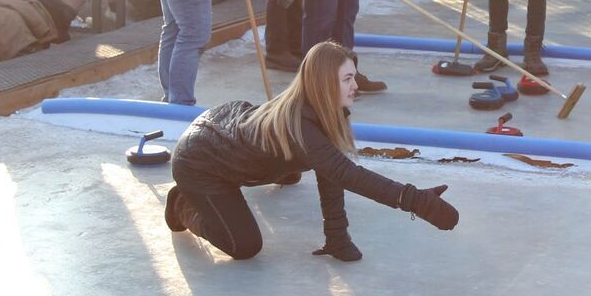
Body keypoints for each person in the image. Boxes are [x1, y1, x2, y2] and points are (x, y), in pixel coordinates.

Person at [164, 41, 459, 261]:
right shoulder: (299, 128)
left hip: (230, 134)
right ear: (324, 83)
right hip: (200, 161)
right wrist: (415, 200)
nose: (356, 86)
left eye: (354, 77)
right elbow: (344, 172)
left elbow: (330, 170)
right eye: (347, 79)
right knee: (244, 246)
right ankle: (181, 204)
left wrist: (337, 236)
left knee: (294, 170)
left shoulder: (325, 111)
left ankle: (271, 174)